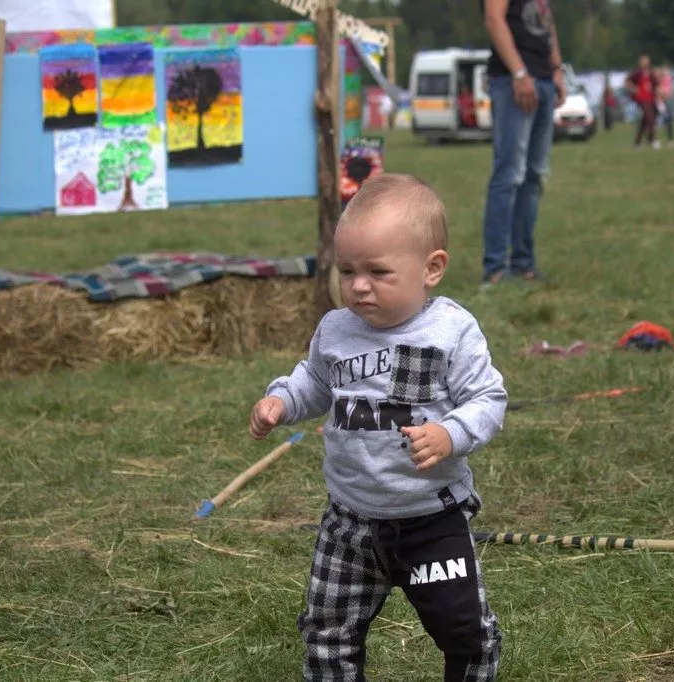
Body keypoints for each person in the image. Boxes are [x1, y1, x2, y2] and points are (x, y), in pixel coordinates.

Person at [250, 173, 507, 679]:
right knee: (328, 632)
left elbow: (488, 399)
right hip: (349, 519)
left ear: (431, 268)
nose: (358, 286)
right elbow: (315, 381)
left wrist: (451, 433)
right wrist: (281, 400)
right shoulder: (336, 328)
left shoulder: (450, 331)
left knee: (465, 632)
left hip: (432, 519)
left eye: (377, 272)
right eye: (347, 271)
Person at [480, 0, 566, 287]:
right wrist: (519, 73)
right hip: (512, 80)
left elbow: (546, 19)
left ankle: (523, 262)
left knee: (534, 175)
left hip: (543, 78)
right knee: (509, 174)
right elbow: (493, 19)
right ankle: (495, 267)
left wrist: (557, 68)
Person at [625, 55, 660, 148]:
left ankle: (638, 141)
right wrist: (634, 88)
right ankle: (652, 139)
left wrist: (658, 93)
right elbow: (628, 81)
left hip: (651, 98)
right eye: (643, 61)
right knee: (650, 118)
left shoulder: (650, 73)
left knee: (647, 119)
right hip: (641, 98)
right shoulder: (637, 73)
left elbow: (656, 84)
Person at [654, 63, 674, 147]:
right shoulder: (655, 80)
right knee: (653, 123)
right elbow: (658, 92)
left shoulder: (666, 80)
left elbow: (667, 93)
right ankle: (654, 140)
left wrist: (662, 93)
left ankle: (670, 140)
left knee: (668, 120)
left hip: (662, 102)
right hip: (655, 102)